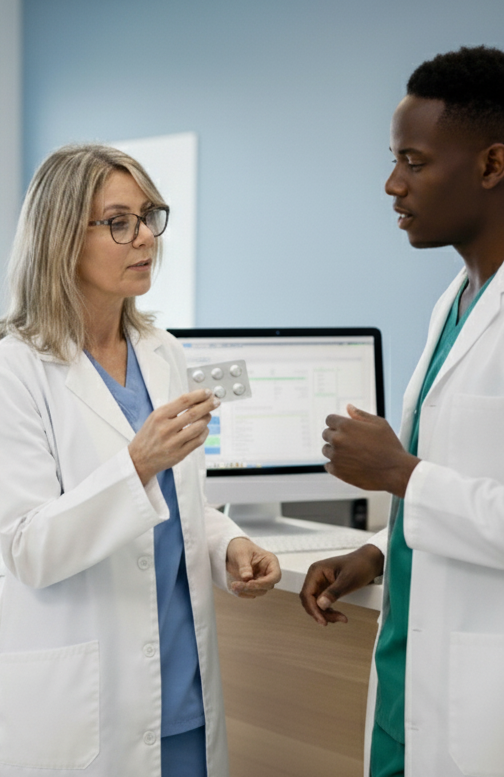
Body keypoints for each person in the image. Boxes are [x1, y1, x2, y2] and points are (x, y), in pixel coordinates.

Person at [0, 143, 281, 777]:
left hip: (181, 693)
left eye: (149, 216)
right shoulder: (12, 372)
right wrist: (136, 464)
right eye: (118, 222)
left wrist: (228, 544)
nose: (144, 238)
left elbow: (181, 498)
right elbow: (28, 547)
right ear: (60, 238)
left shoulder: (160, 351)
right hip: (81, 699)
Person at [299, 46, 504, 777]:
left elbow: (431, 480)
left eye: (414, 161)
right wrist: (379, 554)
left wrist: (401, 473)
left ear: (491, 164)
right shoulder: (454, 302)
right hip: (406, 685)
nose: (392, 184)